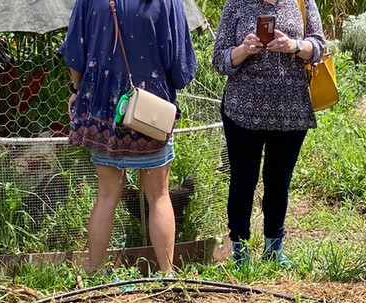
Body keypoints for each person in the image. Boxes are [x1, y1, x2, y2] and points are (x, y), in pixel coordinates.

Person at [62, 0, 196, 277]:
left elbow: (75, 54)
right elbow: (181, 69)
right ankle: (168, 274)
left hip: (104, 107)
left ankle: (96, 274)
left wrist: (77, 89)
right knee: (159, 195)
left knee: (106, 195)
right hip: (151, 109)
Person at [213, 0, 327, 268]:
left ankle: (274, 248)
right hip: (243, 111)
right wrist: (243, 50)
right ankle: (240, 251)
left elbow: (320, 47)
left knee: (279, 181)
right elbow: (218, 59)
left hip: (290, 111)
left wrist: (294, 46)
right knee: (243, 180)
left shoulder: (301, 2)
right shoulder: (237, 4)